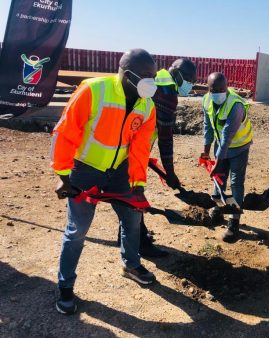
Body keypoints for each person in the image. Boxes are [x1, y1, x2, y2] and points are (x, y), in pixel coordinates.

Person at [51, 49, 158, 315]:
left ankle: (130, 264)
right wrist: (64, 177)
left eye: (153, 76)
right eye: (145, 75)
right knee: (78, 230)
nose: (150, 81)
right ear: (125, 72)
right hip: (84, 170)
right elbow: (65, 132)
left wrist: (138, 183)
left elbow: (141, 147)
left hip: (120, 172)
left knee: (132, 218)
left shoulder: (147, 105)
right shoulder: (94, 90)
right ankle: (65, 287)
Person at [119, 58, 197, 258]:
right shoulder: (167, 92)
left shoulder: (156, 79)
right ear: (177, 72)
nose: (190, 84)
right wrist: (170, 173)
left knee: (126, 194)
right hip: (130, 150)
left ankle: (127, 236)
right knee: (135, 195)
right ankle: (140, 242)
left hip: (126, 144)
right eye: (189, 79)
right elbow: (165, 137)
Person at [200, 72, 253, 243]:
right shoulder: (207, 100)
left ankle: (234, 220)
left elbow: (227, 136)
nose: (218, 92)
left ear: (227, 87)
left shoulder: (235, 106)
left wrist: (218, 161)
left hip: (239, 147)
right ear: (208, 89)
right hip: (220, 144)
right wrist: (206, 152)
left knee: (236, 182)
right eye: (214, 89)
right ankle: (218, 208)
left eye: (222, 89)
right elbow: (208, 126)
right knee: (219, 178)